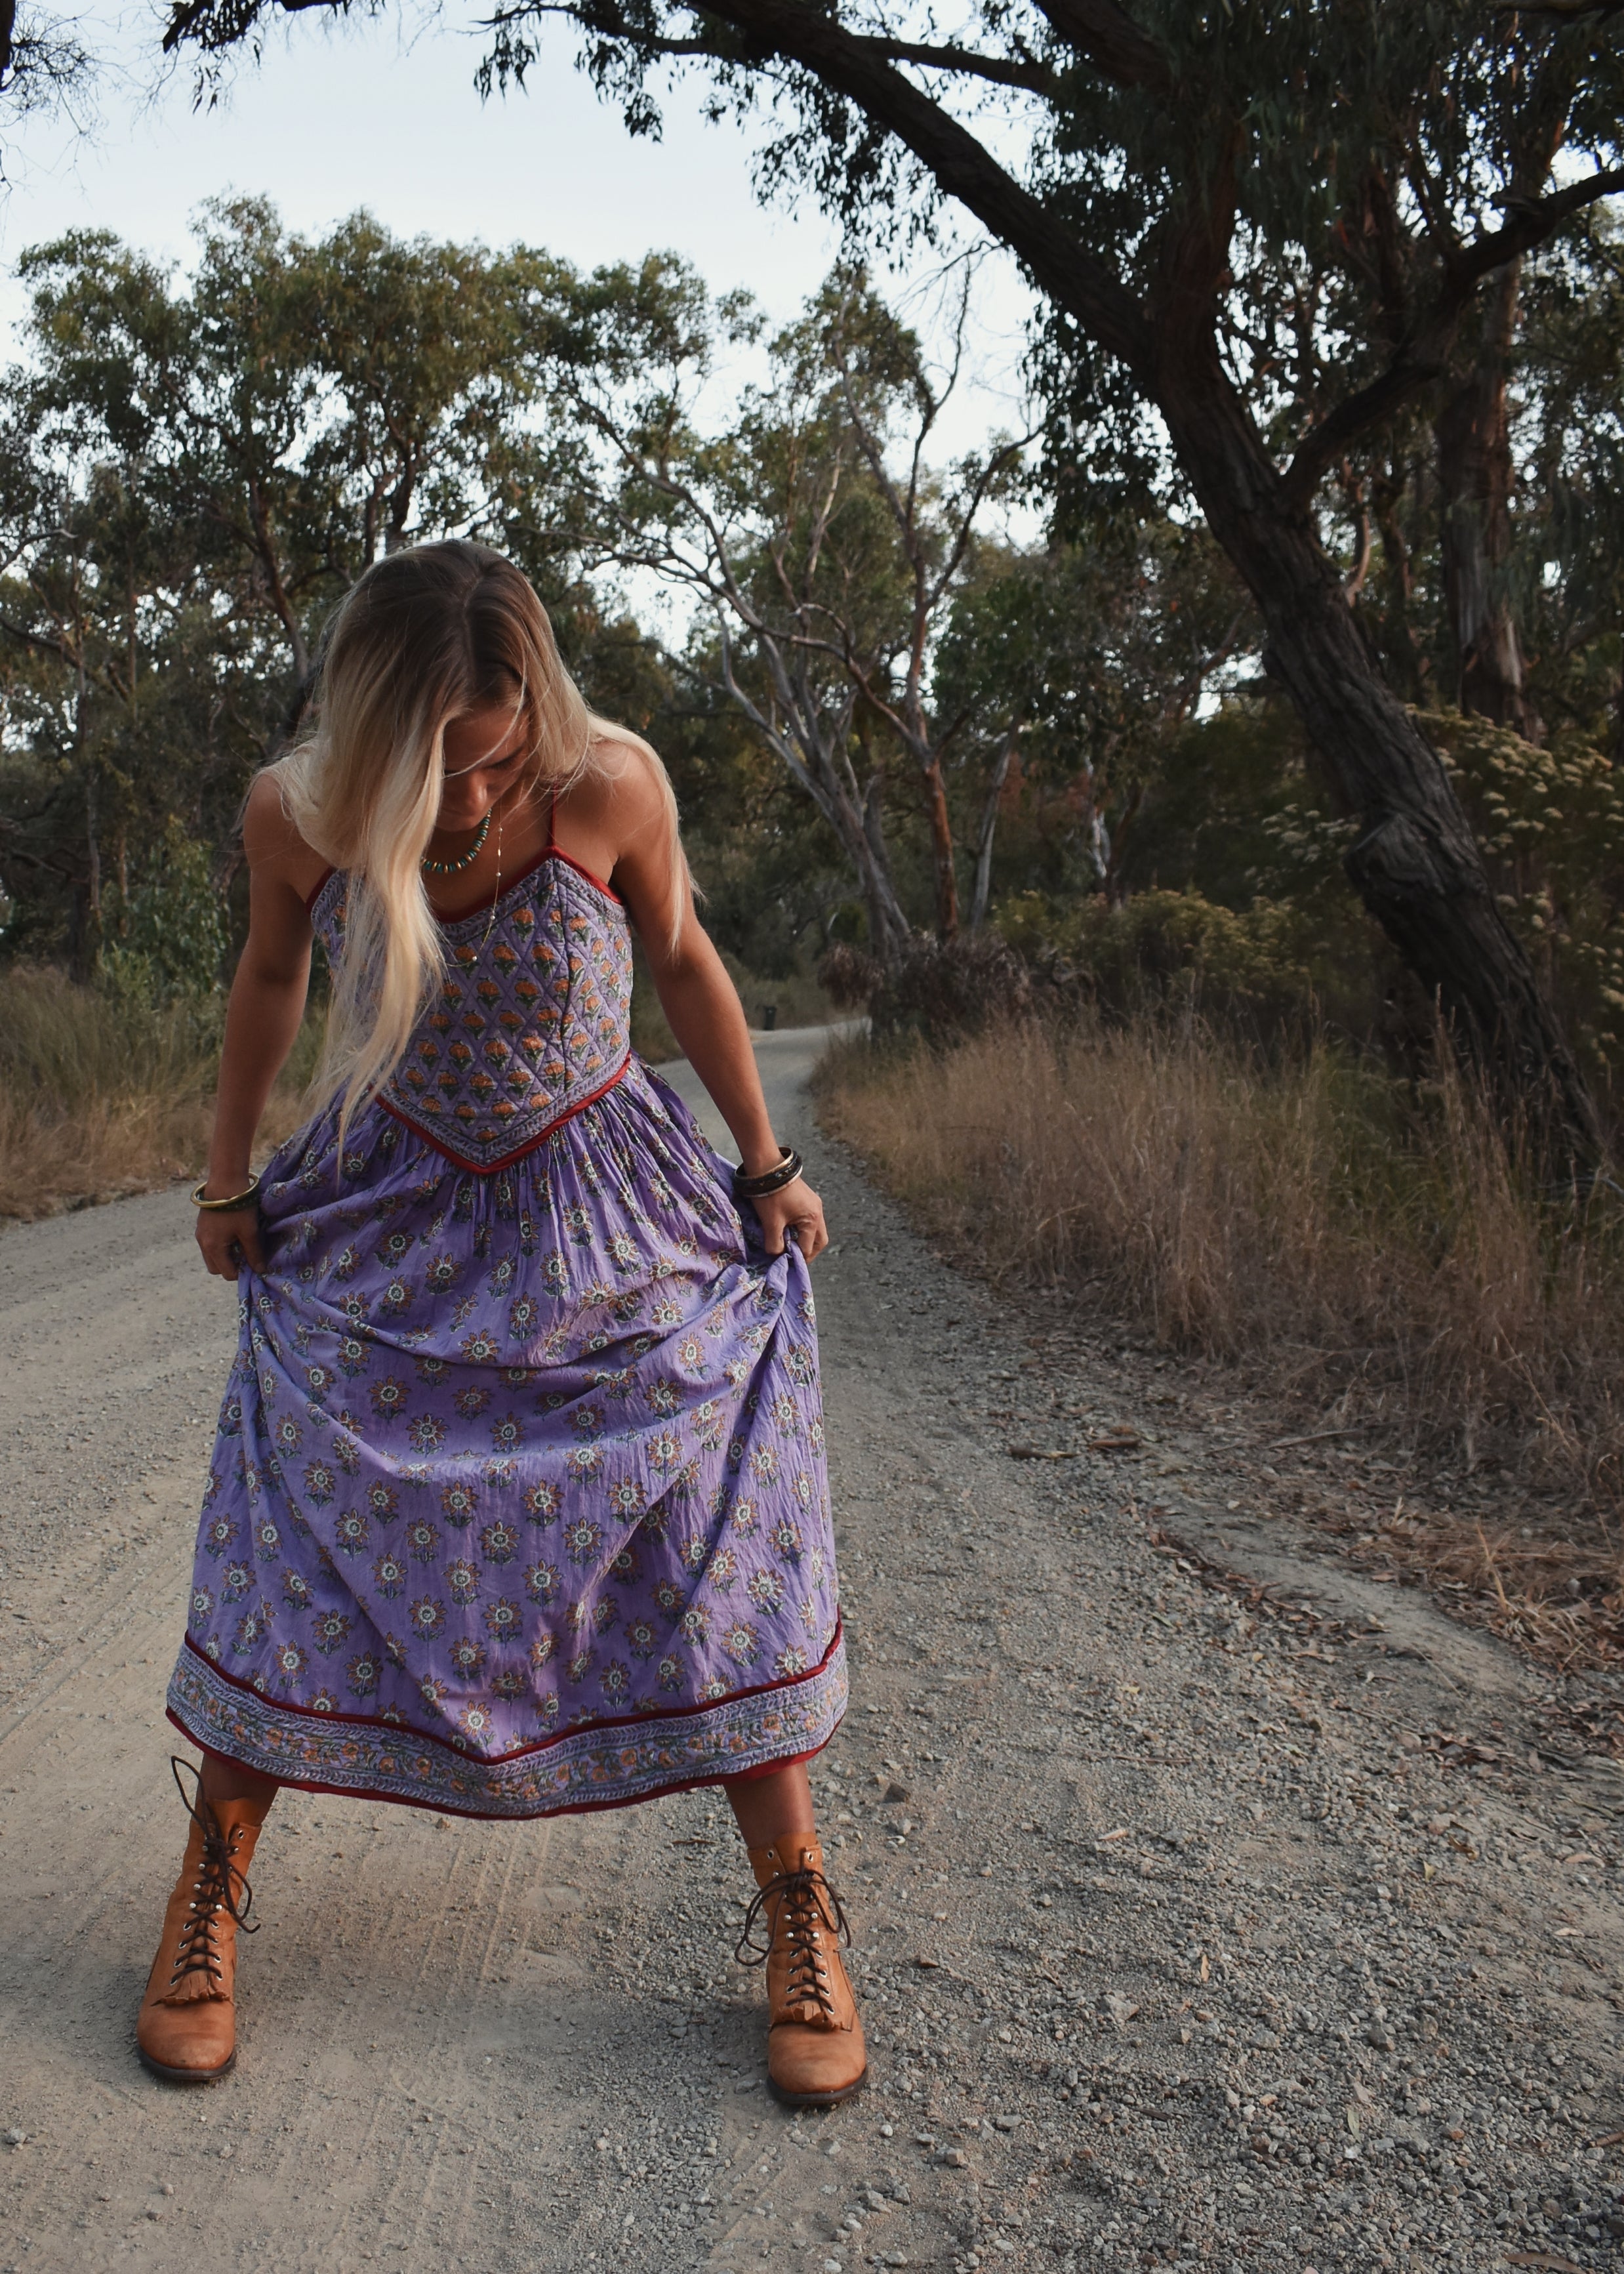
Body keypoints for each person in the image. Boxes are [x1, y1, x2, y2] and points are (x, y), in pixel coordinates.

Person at [138, 540, 864, 2107]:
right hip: (383, 1208)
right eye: (430, 766)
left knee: (705, 1520)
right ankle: (207, 1886)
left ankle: (796, 1902)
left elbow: (678, 957)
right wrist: (222, 1177)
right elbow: (270, 972)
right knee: (294, 1521)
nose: (462, 803)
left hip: (601, 1208)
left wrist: (768, 1162)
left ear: (530, 706)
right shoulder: (295, 813)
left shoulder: (609, 786)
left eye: (488, 757)